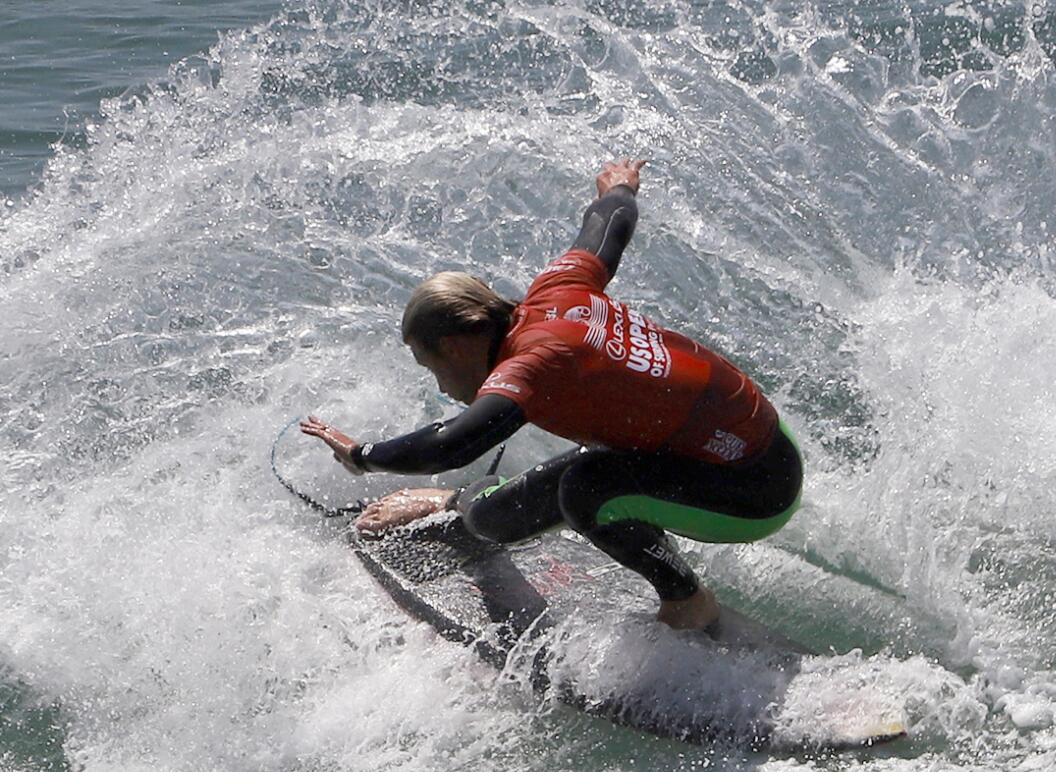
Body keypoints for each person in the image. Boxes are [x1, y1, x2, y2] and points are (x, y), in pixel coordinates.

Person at [301, 158, 803, 631]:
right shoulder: (557, 290)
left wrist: (363, 455)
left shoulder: (531, 369)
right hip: (751, 438)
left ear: (454, 347)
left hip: (754, 490)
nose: (440, 385)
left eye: (431, 366)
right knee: (492, 517)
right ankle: (454, 504)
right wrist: (620, 186)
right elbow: (610, 224)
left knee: (587, 488)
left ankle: (687, 601)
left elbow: (452, 443)